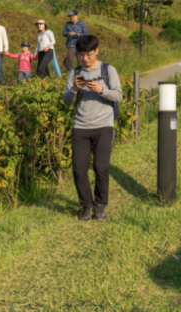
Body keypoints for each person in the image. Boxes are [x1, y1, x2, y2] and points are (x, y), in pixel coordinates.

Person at [63, 35, 123, 222]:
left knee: (101, 167)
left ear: (96, 51)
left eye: (88, 54)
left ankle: (100, 205)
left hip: (104, 125)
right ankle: (86, 206)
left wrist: (102, 90)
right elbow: (66, 101)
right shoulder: (74, 73)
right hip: (80, 126)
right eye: (81, 55)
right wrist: (73, 89)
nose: (85, 59)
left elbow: (119, 96)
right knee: (79, 169)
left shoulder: (108, 70)